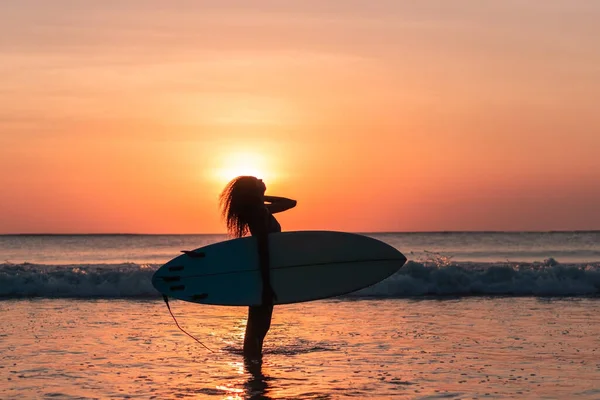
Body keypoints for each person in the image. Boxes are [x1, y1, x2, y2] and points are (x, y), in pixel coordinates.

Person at [219, 176, 297, 360]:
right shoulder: (258, 214)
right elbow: (263, 250)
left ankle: (253, 363)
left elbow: (291, 203)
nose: (261, 178)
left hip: (263, 272)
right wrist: (267, 286)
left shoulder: (261, 210)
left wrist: (260, 196)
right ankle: (253, 365)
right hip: (263, 273)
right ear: (253, 190)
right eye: (257, 180)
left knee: (259, 322)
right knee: (259, 323)